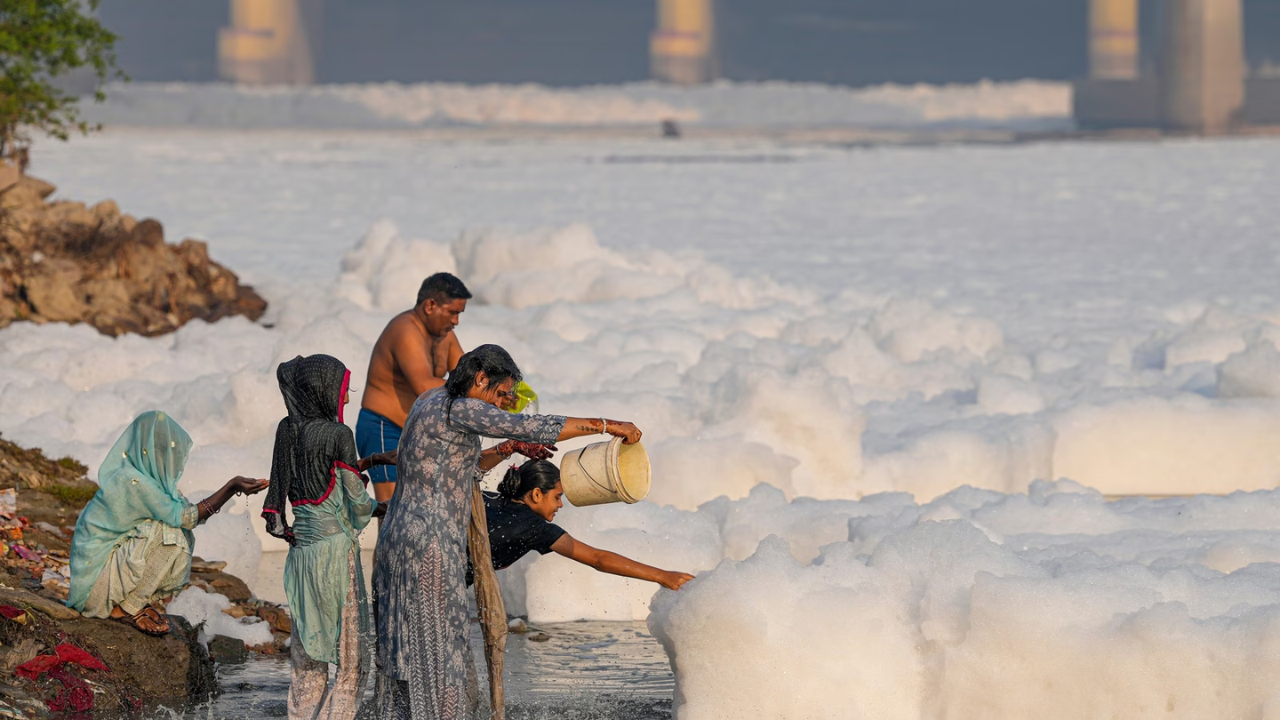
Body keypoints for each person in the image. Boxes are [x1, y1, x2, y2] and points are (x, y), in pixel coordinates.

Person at [373, 344, 643, 720]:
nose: (500, 405)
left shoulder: (429, 400)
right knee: (441, 653)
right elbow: (530, 424)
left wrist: (508, 448)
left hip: (397, 540)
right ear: (480, 379)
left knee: (404, 649)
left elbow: (455, 467)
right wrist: (607, 426)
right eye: (501, 394)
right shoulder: (462, 406)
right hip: (431, 546)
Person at [262, 354, 394, 720]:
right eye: (342, 389)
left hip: (302, 558)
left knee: (308, 663)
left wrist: (297, 534)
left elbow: (273, 512)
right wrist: (379, 507)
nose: (347, 399)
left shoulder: (286, 429)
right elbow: (356, 501)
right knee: (351, 662)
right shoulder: (338, 434)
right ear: (323, 390)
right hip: (336, 559)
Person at [68, 411, 268, 635]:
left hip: (103, 575)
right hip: (94, 588)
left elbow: (186, 513)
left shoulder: (148, 482)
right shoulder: (133, 481)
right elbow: (188, 518)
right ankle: (125, 609)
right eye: (162, 451)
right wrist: (231, 488)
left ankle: (132, 603)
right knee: (171, 533)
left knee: (173, 529)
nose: (168, 459)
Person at [469, 459, 694, 591]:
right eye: (557, 497)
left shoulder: (483, 497)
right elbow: (597, 559)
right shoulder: (535, 527)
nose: (560, 505)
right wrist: (663, 576)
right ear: (537, 494)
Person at [357, 273, 470, 503]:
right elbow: (425, 386)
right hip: (383, 427)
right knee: (391, 507)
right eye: (453, 313)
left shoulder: (445, 336)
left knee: (421, 506)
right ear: (430, 305)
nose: (456, 321)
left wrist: (497, 393)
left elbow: (467, 374)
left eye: (459, 314)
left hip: (416, 431)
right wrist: (476, 393)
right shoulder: (405, 329)